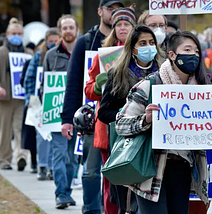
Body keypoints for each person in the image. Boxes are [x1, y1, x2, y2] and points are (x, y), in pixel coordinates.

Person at [114, 30, 212, 214]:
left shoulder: (211, 87)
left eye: (196, 52)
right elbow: (121, 124)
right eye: (187, 50)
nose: (193, 55)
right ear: (172, 55)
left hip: (184, 169)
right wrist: (145, 119)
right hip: (150, 170)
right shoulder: (151, 86)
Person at [61, 0, 124, 213]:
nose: (114, 15)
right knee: (90, 172)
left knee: (115, 173)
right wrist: (67, 119)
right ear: (100, 12)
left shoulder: (134, 47)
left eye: (119, 10)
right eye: (110, 9)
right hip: (92, 119)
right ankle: (91, 210)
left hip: (122, 122)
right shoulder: (86, 41)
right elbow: (74, 83)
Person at [98, 25, 164, 214]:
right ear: (132, 48)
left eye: (151, 43)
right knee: (128, 204)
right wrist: (129, 115)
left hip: (157, 148)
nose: (148, 47)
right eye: (142, 43)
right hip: (129, 147)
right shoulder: (118, 73)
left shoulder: (164, 73)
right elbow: (104, 112)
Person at [85, 5, 135, 214]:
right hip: (108, 129)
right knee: (111, 184)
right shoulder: (103, 56)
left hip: (137, 126)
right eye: (118, 24)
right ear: (113, 28)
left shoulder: (139, 53)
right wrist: (98, 85)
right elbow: (88, 91)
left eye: (127, 24)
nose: (122, 28)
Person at [41, 14, 79, 209]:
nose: (68, 31)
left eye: (71, 27)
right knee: (58, 154)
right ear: (60, 31)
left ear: (77, 30)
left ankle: (68, 192)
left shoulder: (83, 53)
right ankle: (61, 193)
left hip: (78, 115)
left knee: (73, 158)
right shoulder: (51, 56)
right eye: (64, 28)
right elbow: (44, 86)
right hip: (56, 115)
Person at [0, 18, 33, 171]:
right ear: (7, 34)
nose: (16, 36)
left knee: (20, 128)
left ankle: (21, 156)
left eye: (19, 33)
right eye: (14, 33)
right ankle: (4, 159)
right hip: (5, 97)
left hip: (22, 98)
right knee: (5, 129)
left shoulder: (28, 53)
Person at [24, 27, 60, 180]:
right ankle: (42, 165)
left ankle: (52, 167)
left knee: (54, 135)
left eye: (55, 41)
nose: (52, 44)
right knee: (41, 136)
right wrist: (30, 100)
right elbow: (29, 78)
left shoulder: (63, 55)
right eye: (50, 41)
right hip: (39, 101)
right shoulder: (39, 56)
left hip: (56, 100)